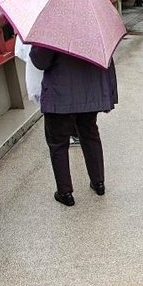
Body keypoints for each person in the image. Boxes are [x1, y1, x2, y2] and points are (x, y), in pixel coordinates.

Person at [29, 47, 118, 206]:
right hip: (90, 91)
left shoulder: (53, 26)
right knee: (90, 135)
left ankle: (65, 192)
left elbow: (40, 61)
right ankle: (98, 182)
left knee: (58, 143)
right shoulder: (93, 24)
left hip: (60, 95)